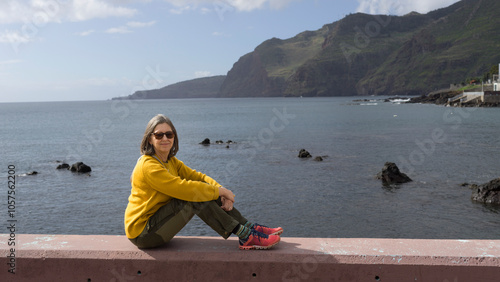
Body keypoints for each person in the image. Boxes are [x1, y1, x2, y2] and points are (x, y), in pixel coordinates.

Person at [124, 114, 283, 250]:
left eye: (169, 134)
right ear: (150, 139)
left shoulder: (170, 161)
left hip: (157, 226)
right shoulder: (149, 165)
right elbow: (185, 189)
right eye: (159, 135)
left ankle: (249, 228)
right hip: (144, 234)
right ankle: (245, 236)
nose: (164, 138)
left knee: (203, 190)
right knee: (194, 197)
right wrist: (222, 193)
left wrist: (221, 190)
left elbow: (198, 177)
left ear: (174, 137)